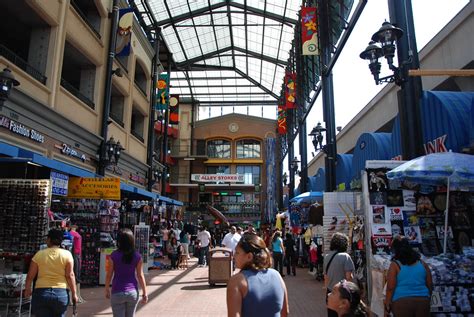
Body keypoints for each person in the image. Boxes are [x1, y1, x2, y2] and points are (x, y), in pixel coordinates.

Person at [227, 233, 289, 317]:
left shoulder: (237, 281)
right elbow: (285, 312)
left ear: (249, 256)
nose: (234, 256)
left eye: (237, 252)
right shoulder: (277, 275)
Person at [24, 228, 78, 317]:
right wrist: (74, 293)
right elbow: (70, 275)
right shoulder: (67, 254)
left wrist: (27, 289)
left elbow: (30, 275)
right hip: (60, 293)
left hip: (41, 293)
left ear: (49, 240)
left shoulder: (39, 254)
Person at [384, 236, 432, 317]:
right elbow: (430, 284)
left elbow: (390, 287)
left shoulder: (395, 265)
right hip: (423, 301)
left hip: (402, 302)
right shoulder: (422, 264)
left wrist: (387, 303)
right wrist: (427, 297)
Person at [105, 228, 148, 317]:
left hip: (117, 291)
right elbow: (140, 275)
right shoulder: (137, 256)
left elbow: (109, 274)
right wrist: (145, 292)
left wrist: (106, 288)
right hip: (132, 292)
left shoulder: (113, 255)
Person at [324, 232, 355, 317]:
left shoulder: (327, 257)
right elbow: (349, 278)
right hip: (343, 294)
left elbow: (326, 277)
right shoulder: (345, 256)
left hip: (330, 292)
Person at [69, 224, 85, 303]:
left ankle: (78, 295)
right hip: (74, 254)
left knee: (77, 275)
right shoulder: (70, 233)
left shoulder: (75, 233)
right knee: (75, 274)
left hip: (78, 254)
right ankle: (74, 296)